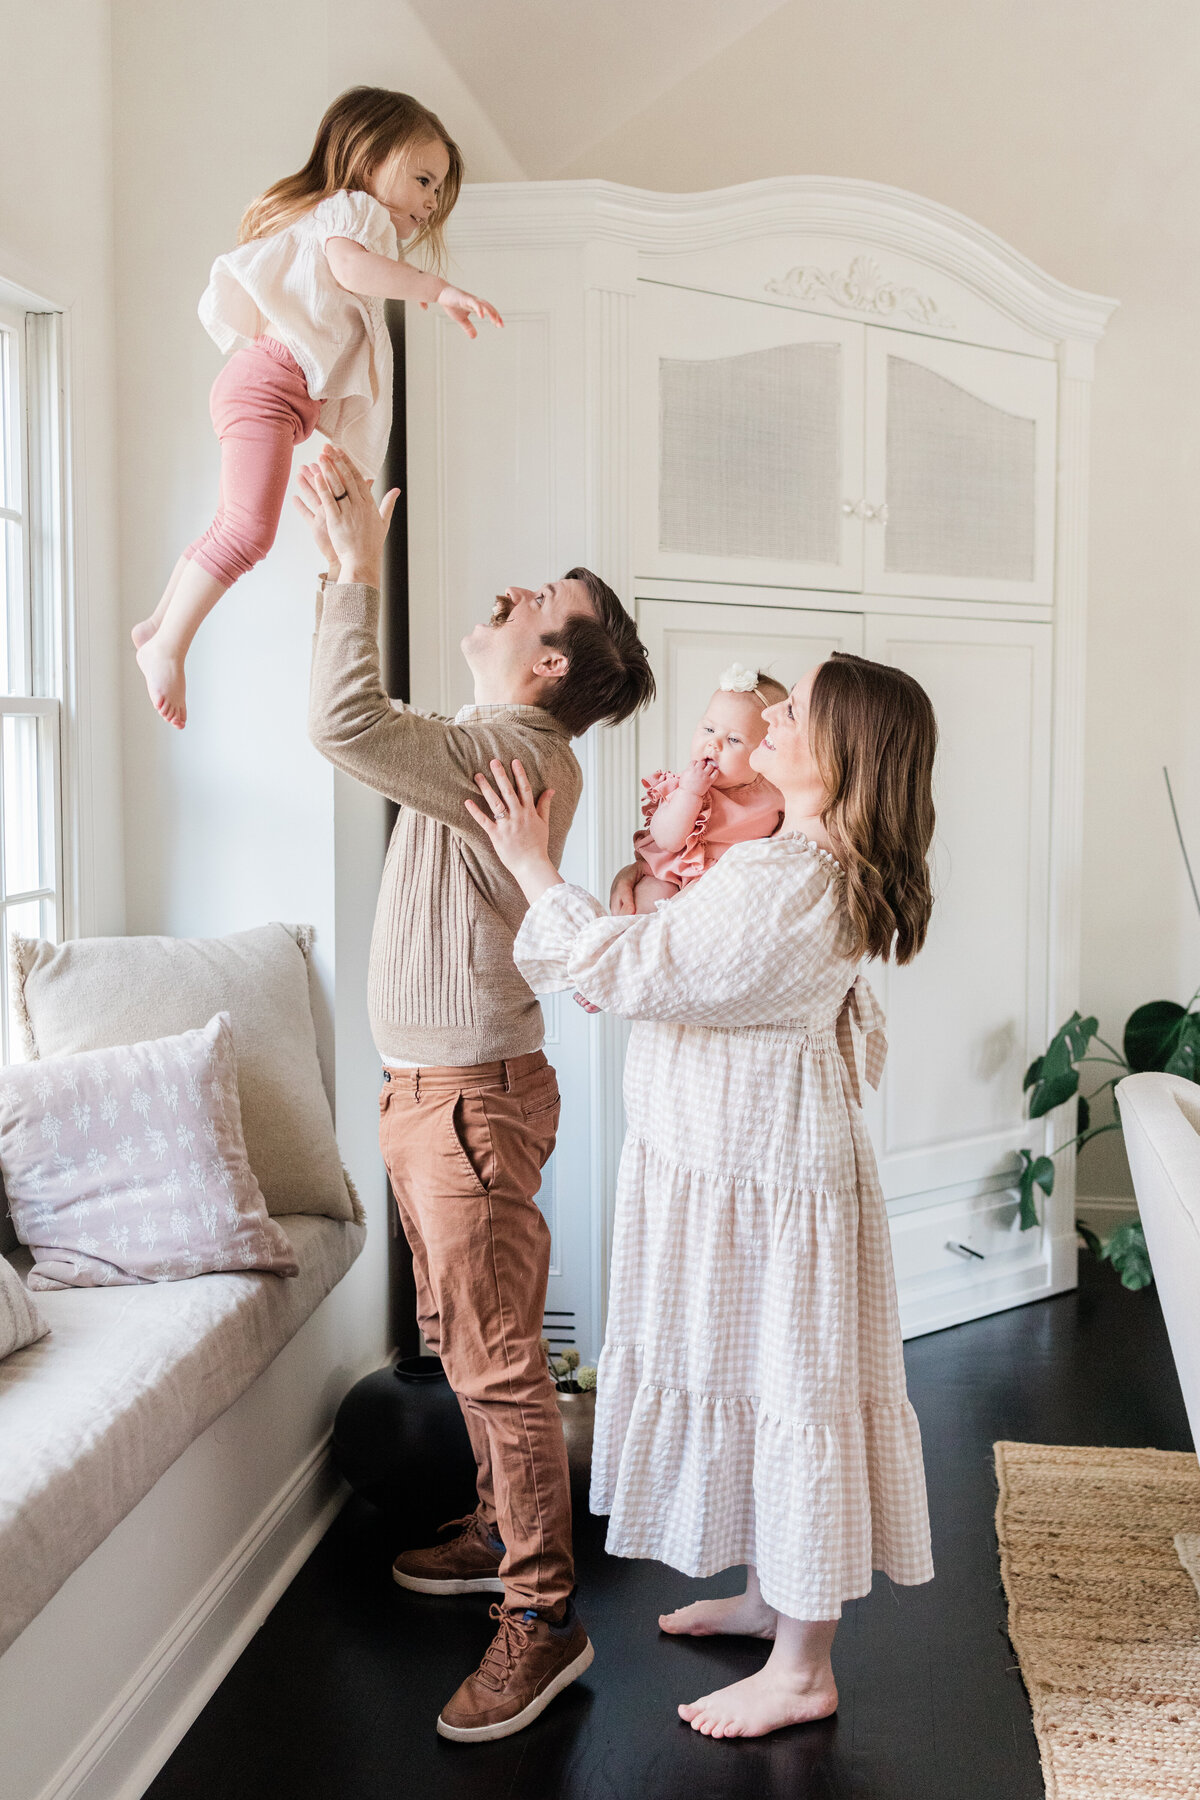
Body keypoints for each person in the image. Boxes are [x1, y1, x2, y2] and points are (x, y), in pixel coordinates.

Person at [465, 652, 938, 1739]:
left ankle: (803, 1667)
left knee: (793, 1393)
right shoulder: (797, 858)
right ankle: (777, 1598)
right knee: (759, 1374)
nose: (770, 714)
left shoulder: (791, 883)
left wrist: (538, 867)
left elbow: (633, 970)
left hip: (763, 1175)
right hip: (742, 1166)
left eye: (796, 710)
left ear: (840, 756)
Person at [298, 443, 654, 1743]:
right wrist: (344, 567)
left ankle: (542, 1620)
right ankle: (507, 1527)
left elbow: (342, 722)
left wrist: (356, 570)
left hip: (466, 1100)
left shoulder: (509, 747)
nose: (507, 595)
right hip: (438, 1094)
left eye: (532, 598)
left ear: (553, 662)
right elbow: (374, 726)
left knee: (496, 1365)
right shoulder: (484, 742)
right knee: (466, 1344)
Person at [135, 85, 501, 727]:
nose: (431, 200)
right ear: (366, 158)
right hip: (267, 386)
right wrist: (434, 288)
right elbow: (354, 270)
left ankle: (159, 624)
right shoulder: (353, 213)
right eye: (421, 178)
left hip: (271, 390)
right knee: (249, 532)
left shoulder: (341, 217)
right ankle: (169, 644)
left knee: (233, 523)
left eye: (438, 190)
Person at [627, 663, 786, 914]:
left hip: (723, 887)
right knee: (646, 903)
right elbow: (667, 840)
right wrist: (690, 793)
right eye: (709, 729)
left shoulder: (775, 794)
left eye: (734, 739)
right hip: (670, 874)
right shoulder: (686, 784)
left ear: (765, 747)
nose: (714, 744)